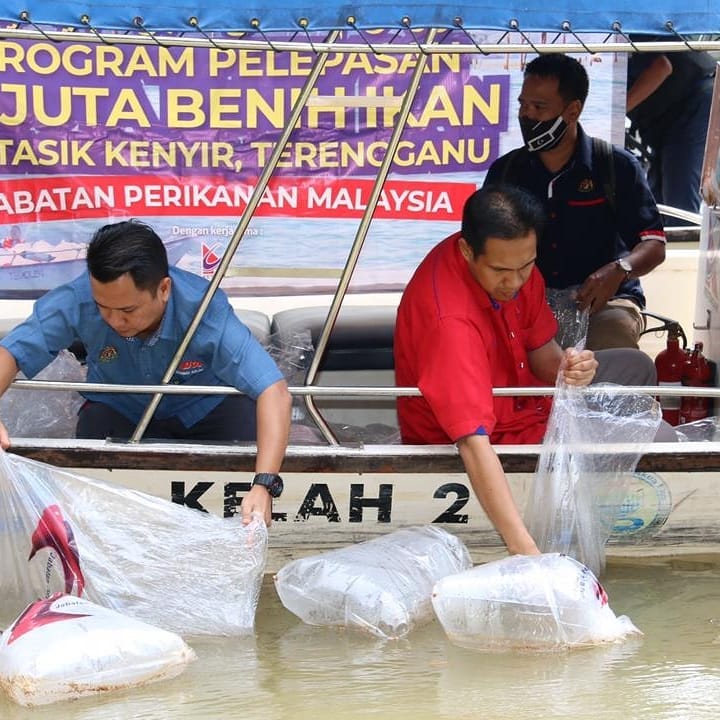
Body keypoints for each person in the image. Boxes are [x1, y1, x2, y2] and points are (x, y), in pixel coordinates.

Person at [394, 184, 671, 557]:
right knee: (662, 438)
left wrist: (570, 368)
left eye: (526, 266)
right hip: (492, 439)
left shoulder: (512, 261)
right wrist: (525, 550)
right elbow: (473, 445)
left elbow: (541, 352)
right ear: (467, 250)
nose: (514, 282)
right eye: (501, 271)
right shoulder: (450, 322)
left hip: (530, 405)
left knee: (635, 366)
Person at [0, 219, 292, 525]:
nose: (114, 321)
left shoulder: (204, 310)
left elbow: (274, 390)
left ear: (164, 289)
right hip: (119, 409)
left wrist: (264, 483)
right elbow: (11, 351)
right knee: (89, 489)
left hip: (204, 407)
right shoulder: (77, 298)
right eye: (102, 308)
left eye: (127, 311)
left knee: (251, 436)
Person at [484, 53, 667, 351]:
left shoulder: (615, 166)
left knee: (612, 350)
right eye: (522, 104)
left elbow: (654, 244)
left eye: (539, 107)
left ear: (572, 111)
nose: (527, 115)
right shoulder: (505, 172)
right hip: (524, 305)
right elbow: (483, 246)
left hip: (605, 303)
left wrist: (620, 269)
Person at [627, 47, 716, 215]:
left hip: (692, 101)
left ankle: (682, 229)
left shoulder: (623, 32)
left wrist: (617, 111)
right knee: (656, 201)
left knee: (678, 198)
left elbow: (662, 67)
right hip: (663, 114)